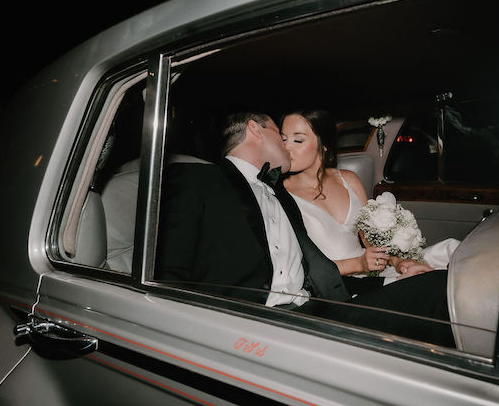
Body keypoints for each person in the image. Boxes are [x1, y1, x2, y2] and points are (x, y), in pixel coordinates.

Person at [155, 111, 455, 347]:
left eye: (295, 139)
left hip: (317, 306)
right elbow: (168, 278)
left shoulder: (278, 192)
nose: (286, 145)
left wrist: (393, 272)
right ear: (256, 129)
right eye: (280, 134)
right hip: (257, 324)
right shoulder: (196, 180)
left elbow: (316, 267)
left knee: (440, 285)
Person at [280, 109, 458, 288]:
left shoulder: (348, 180)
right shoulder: (281, 195)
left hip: (371, 271)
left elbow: (369, 240)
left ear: (323, 145)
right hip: (336, 284)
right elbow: (300, 268)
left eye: (297, 140)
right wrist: (359, 264)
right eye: (283, 139)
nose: (286, 147)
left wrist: (398, 263)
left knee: (451, 254)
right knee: (432, 286)